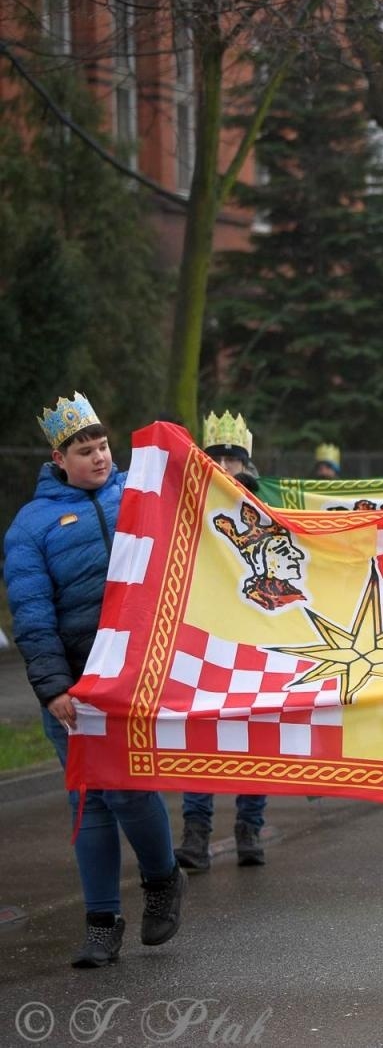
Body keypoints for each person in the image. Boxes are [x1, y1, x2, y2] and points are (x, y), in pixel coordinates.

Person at [4, 393, 185, 967]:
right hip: (74, 686)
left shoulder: (141, 493)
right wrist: (54, 688)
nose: (101, 457)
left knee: (128, 792)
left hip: (136, 678)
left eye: (104, 446)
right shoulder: (30, 527)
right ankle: (101, 920)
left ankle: (162, 880)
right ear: (59, 458)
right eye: (86, 451)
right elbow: (30, 614)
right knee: (89, 801)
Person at [175, 411, 269, 870]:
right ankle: (196, 833)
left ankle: (250, 828)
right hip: (206, 636)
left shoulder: (268, 508)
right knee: (202, 734)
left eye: (234, 460)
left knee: (255, 734)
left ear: (247, 466)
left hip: (258, 634)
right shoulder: (189, 506)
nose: (225, 468)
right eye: (217, 458)